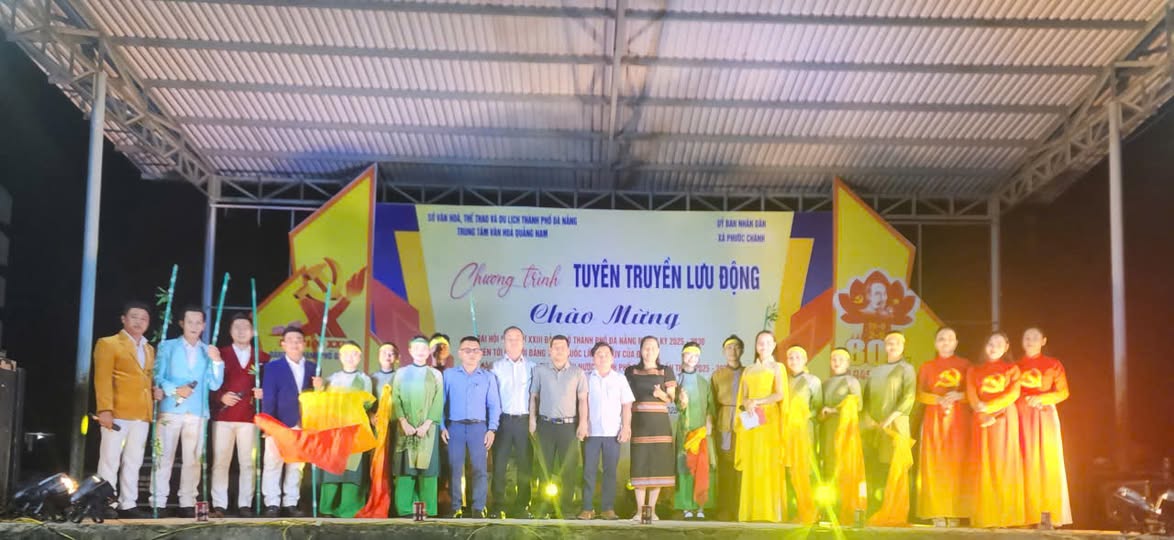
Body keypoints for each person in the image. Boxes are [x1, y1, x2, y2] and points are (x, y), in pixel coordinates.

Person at [151, 306, 225, 517]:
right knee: (163, 457)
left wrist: (217, 361)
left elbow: (214, 384)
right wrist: (174, 390)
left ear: (204, 326)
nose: (194, 326)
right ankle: (158, 501)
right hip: (170, 409)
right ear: (182, 323)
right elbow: (158, 376)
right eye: (190, 322)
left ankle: (188, 501)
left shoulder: (207, 351)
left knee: (193, 460)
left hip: (197, 411)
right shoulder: (167, 346)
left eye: (198, 322)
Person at [93, 301, 156, 519]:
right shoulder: (108, 343)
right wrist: (105, 409)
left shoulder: (148, 349)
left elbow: (146, 379)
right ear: (124, 319)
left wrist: (154, 394)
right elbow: (102, 379)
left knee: (134, 461)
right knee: (110, 459)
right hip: (117, 412)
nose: (139, 322)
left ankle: (128, 503)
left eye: (144, 318)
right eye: (134, 317)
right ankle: (105, 502)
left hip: (142, 414)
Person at [259, 326, 321, 518]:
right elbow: (269, 396)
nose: (295, 343)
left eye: (299, 340)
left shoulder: (313, 368)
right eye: (291, 340)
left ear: (304, 344)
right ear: (283, 344)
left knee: (296, 465)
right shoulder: (273, 367)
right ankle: (272, 503)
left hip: (303, 423)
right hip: (278, 422)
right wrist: (268, 423)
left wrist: (319, 388)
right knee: (273, 462)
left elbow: (318, 399)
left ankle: (291, 502)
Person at [210, 312, 267, 518]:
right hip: (223, 417)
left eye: (246, 327)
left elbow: (270, 386)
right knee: (220, 461)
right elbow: (209, 383)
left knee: (248, 462)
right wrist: (221, 396)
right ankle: (219, 504)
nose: (242, 331)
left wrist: (262, 394)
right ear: (230, 331)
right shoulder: (220, 354)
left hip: (249, 418)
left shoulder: (262, 357)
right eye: (237, 327)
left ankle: (245, 504)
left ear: (253, 332)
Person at [967, 331, 1026, 528]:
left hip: (1004, 419)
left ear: (1006, 348)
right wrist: (981, 411)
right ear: (985, 346)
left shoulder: (1012, 369)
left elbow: (1013, 393)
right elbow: (972, 395)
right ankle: (985, 516)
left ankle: (1006, 516)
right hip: (981, 419)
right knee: (983, 464)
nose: (994, 347)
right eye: (991, 343)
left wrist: (990, 408)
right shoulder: (974, 369)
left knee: (1004, 464)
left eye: (999, 344)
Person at [915, 327, 971, 527]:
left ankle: (955, 512)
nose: (945, 342)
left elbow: (974, 392)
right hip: (934, 419)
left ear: (956, 343)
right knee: (934, 464)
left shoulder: (965, 365)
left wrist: (960, 395)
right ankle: (936, 511)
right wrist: (937, 399)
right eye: (941, 338)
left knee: (957, 464)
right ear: (935, 343)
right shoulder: (927, 366)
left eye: (949, 339)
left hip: (958, 420)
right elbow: (919, 394)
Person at [440, 336, 501, 519]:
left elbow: (494, 405)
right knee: (455, 468)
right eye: (467, 350)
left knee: (480, 469)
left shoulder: (488, 377)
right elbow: (441, 403)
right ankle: (456, 507)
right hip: (455, 427)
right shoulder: (449, 375)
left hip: (478, 428)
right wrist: (442, 426)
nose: (471, 354)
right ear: (460, 353)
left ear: (481, 354)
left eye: (475, 350)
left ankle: (478, 507)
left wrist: (492, 429)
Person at [1017, 328, 1072, 527]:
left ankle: (1047, 514)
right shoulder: (1015, 366)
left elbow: (1063, 392)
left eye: (1035, 337)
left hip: (1044, 416)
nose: (1030, 341)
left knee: (1047, 464)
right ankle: (1025, 515)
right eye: (1026, 337)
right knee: (1024, 464)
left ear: (1043, 341)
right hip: (1021, 418)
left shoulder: (1053, 364)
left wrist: (1042, 398)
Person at [528, 335, 588, 518]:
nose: (559, 350)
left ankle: (567, 509)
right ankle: (543, 508)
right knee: (543, 468)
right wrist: (532, 419)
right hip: (545, 425)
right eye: (555, 347)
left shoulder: (578, 372)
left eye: (563, 347)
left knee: (569, 470)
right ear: (550, 350)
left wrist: (583, 423)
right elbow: (534, 396)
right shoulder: (540, 370)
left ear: (569, 351)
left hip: (569, 427)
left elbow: (583, 400)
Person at [735, 330, 788, 523]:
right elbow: (743, 397)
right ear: (756, 346)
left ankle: (771, 513)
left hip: (769, 420)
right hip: (752, 420)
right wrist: (747, 403)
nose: (763, 346)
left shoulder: (777, 367)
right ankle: (750, 512)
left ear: (773, 345)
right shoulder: (748, 370)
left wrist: (757, 401)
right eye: (760, 343)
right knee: (753, 463)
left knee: (768, 463)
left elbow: (780, 394)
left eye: (767, 342)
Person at [861, 331, 915, 522]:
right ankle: (877, 509)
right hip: (876, 427)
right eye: (889, 343)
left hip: (896, 425)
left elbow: (909, 397)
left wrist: (890, 418)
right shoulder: (876, 371)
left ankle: (896, 512)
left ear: (903, 346)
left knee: (896, 467)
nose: (892, 346)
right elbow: (866, 399)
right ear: (884, 346)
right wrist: (869, 419)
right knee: (878, 467)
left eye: (896, 343)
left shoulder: (906, 369)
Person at [319, 342, 375, 518]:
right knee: (332, 469)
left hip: (355, 429)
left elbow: (368, 402)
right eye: (347, 354)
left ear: (359, 357)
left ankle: (349, 509)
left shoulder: (364, 379)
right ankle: (328, 508)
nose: (351, 357)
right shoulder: (331, 379)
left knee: (352, 470)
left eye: (355, 354)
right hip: (335, 430)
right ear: (340, 357)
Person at [579, 342, 634, 520]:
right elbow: (582, 403)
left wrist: (626, 427)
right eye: (599, 354)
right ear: (593, 358)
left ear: (612, 358)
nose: (602, 357)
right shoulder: (586, 378)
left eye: (606, 354)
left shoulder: (620, 379)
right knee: (589, 471)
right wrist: (582, 424)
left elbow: (626, 405)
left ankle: (607, 508)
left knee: (610, 472)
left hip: (613, 433)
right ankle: (587, 508)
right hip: (591, 433)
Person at [624, 336, 677, 521]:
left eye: (653, 348)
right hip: (639, 423)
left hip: (659, 424)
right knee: (640, 464)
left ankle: (652, 510)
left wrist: (660, 394)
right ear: (640, 350)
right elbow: (625, 396)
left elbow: (671, 398)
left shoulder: (666, 371)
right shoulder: (631, 371)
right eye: (646, 347)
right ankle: (640, 511)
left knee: (657, 465)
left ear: (659, 350)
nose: (649, 351)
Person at [393, 336, 445, 517]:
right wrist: (403, 422)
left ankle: (424, 512)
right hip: (405, 427)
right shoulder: (401, 373)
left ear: (429, 351)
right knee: (406, 471)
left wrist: (427, 424)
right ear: (410, 351)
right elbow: (395, 399)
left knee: (427, 471)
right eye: (416, 348)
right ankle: (406, 510)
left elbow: (438, 400)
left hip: (427, 430)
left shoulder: (435, 374)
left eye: (424, 348)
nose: (420, 352)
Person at [490, 326, 536, 518]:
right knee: (499, 465)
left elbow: (536, 397)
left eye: (517, 338)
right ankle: (497, 505)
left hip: (525, 421)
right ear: (504, 342)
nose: (514, 341)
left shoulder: (533, 367)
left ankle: (523, 506)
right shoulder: (496, 367)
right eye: (510, 338)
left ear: (523, 342)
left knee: (525, 465)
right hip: (503, 421)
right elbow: (492, 399)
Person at [819, 348, 865, 523]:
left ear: (848, 363)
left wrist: (833, 410)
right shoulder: (825, 383)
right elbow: (819, 408)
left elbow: (858, 406)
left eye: (841, 359)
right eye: (833, 359)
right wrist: (822, 414)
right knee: (828, 468)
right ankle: (829, 510)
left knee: (844, 467)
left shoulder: (851, 381)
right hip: (828, 430)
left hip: (845, 432)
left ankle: (846, 510)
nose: (836, 362)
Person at [356, 342, 400, 518]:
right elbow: (365, 403)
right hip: (377, 429)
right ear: (378, 356)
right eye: (384, 352)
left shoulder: (400, 377)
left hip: (397, 427)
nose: (387, 356)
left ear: (396, 358)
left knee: (395, 466)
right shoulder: (371, 379)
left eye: (391, 353)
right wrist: (371, 415)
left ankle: (394, 505)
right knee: (376, 466)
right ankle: (376, 501)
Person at [673, 342, 715, 520]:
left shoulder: (704, 382)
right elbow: (676, 404)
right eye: (688, 354)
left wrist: (709, 422)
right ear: (683, 356)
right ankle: (686, 506)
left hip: (701, 432)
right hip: (685, 432)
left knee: (702, 468)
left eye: (695, 355)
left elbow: (710, 406)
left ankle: (701, 506)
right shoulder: (676, 381)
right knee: (685, 467)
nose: (692, 358)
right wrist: (681, 402)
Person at [783, 345, 821, 524]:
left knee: (805, 469)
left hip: (804, 430)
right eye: (790, 357)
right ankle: (794, 511)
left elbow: (817, 407)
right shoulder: (783, 380)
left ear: (805, 360)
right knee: (789, 470)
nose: (794, 360)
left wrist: (802, 417)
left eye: (798, 357)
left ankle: (810, 512)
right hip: (785, 432)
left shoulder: (812, 381)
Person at [710, 335, 744, 521]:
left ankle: (741, 509)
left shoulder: (748, 373)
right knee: (725, 468)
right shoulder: (717, 375)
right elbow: (712, 405)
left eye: (736, 347)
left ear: (742, 350)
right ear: (724, 352)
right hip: (724, 423)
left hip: (745, 424)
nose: (733, 351)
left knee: (743, 469)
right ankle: (724, 509)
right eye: (729, 347)